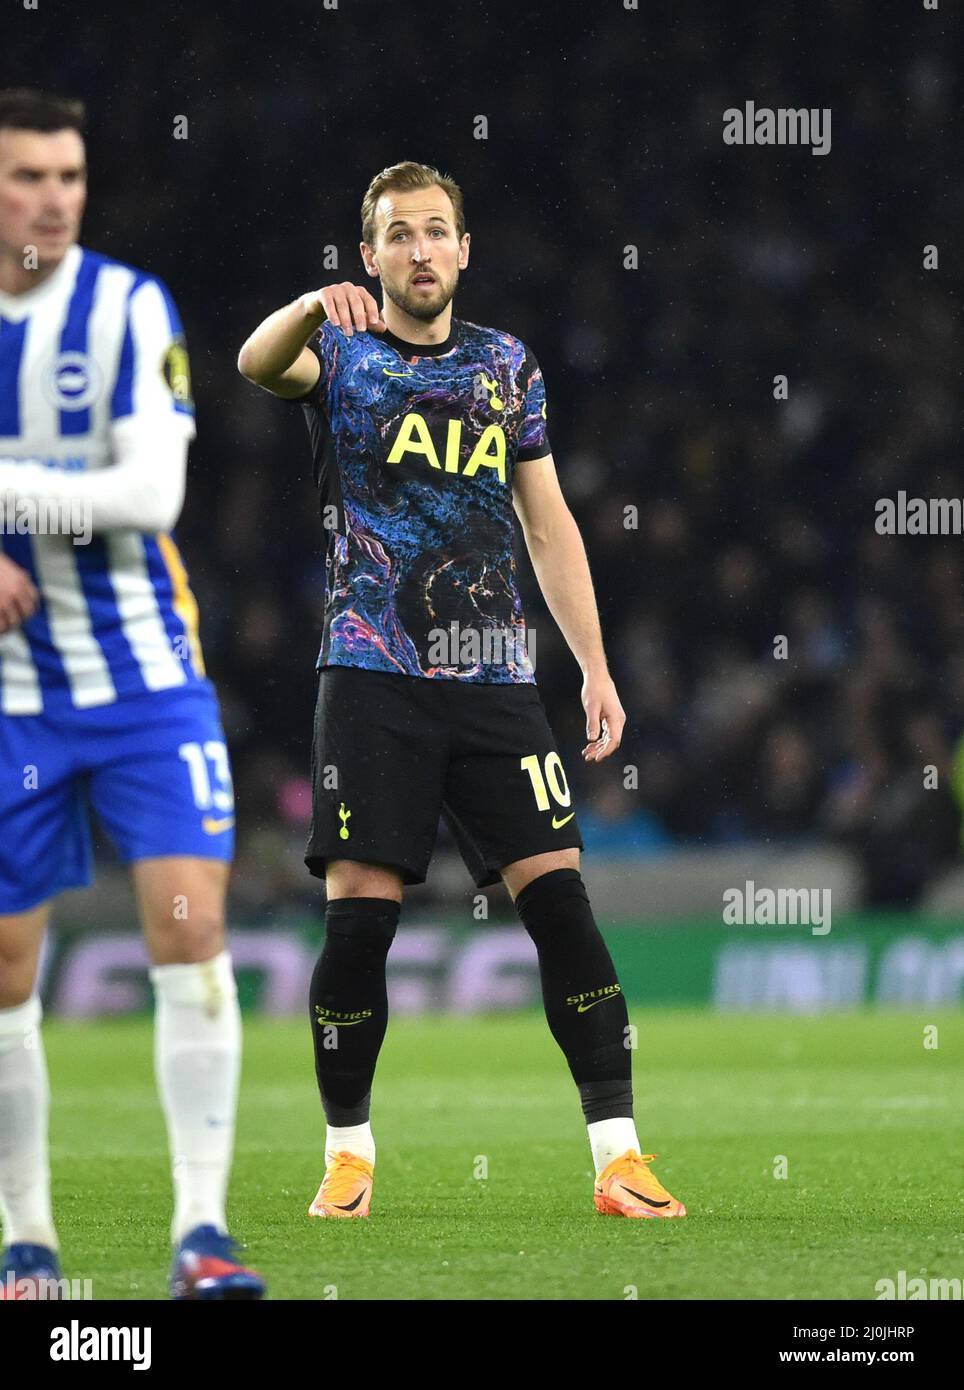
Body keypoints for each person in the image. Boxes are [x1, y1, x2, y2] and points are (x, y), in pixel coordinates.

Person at [238, 161, 685, 1222]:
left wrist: (593, 663)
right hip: (369, 675)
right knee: (359, 928)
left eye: (438, 231)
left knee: (563, 908)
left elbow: (548, 521)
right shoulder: (338, 354)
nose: (422, 250)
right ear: (372, 257)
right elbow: (257, 365)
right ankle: (349, 1156)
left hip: (494, 678)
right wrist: (308, 304)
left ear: (464, 250)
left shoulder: (505, 367)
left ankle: (618, 1158)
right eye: (400, 235)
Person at [0, 89, 263, 1299]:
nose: (52, 198)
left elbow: (150, 497)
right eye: (27, 177)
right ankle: (26, 1243)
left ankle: (202, 1235)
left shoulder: (126, 307)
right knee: (6, 969)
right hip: (10, 700)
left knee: (189, 936)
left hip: (148, 678)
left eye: (68, 176)